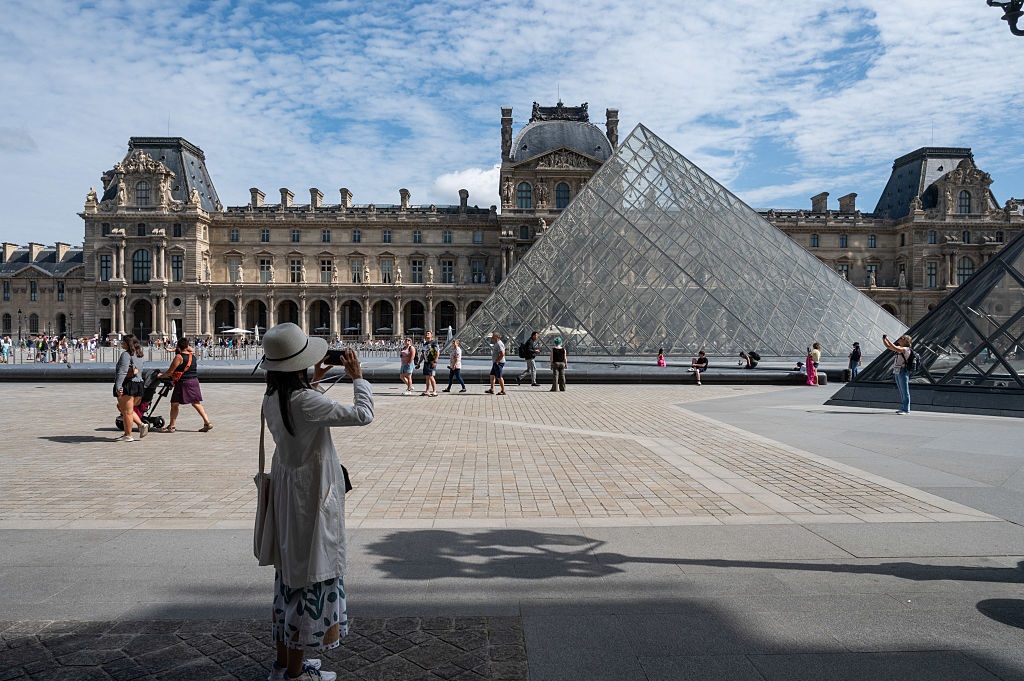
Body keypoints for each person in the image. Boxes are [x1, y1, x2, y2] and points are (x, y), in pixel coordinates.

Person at [258, 323, 374, 681]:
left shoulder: (272, 398)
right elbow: (362, 415)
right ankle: (296, 675)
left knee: (289, 580)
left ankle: (283, 666)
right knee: (310, 583)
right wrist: (358, 378)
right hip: (310, 498)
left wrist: (313, 380)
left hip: (286, 495)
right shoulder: (306, 400)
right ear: (299, 366)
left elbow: (303, 410)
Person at [158, 338, 213, 432]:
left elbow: (170, 372)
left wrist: (161, 376)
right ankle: (207, 422)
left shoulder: (179, 357)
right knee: (196, 403)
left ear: (178, 346)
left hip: (183, 383)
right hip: (194, 381)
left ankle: (171, 426)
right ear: (187, 346)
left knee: (174, 404)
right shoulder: (193, 356)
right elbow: (191, 350)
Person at [112, 334, 148, 442]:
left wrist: (118, 386)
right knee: (125, 409)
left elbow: (122, 372)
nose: (121, 343)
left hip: (128, 384)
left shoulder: (126, 355)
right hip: (138, 384)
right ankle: (141, 425)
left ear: (128, 344)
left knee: (127, 411)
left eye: (123, 342)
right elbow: (139, 371)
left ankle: (128, 435)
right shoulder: (140, 355)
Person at [883, 333, 913, 414]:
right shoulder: (900, 348)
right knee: (901, 390)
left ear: (905, 341)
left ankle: (906, 409)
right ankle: (903, 407)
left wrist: (888, 339)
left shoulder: (906, 349)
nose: (899, 339)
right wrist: (884, 339)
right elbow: (889, 347)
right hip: (897, 370)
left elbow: (894, 347)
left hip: (903, 371)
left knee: (905, 391)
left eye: (901, 338)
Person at [419, 331, 439, 397]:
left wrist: (435, 361)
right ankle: (427, 391)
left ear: (431, 336)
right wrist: (419, 363)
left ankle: (434, 391)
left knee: (431, 376)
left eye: (428, 333)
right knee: (427, 377)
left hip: (431, 362)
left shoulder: (434, 343)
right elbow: (422, 354)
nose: (427, 334)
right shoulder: (425, 344)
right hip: (426, 362)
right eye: (426, 333)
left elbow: (437, 352)